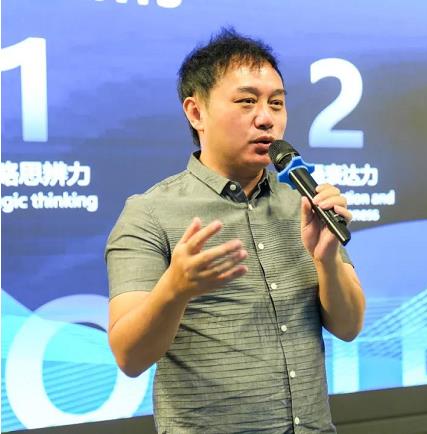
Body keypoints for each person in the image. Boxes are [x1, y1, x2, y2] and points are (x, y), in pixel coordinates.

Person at [105, 28, 365, 434]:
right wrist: (175, 289)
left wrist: (326, 259)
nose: (266, 118)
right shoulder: (149, 214)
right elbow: (129, 357)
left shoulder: (303, 201)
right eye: (247, 101)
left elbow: (349, 327)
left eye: (276, 103)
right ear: (196, 113)